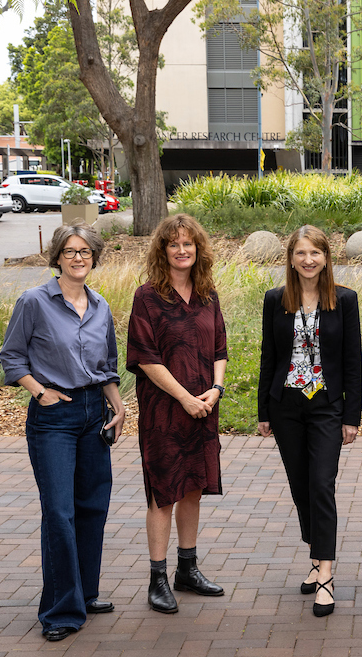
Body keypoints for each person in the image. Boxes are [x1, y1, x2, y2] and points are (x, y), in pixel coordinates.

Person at [0, 225, 125, 642]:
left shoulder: (100, 305)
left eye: (85, 252)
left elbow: (107, 363)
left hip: (94, 412)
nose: (77, 258)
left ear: (94, 257)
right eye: (69, 252)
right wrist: (40, 393)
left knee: (92, 507)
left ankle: (86, 594)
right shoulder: (34, 301)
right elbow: (13, 356)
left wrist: (119, 404)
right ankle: (59, 612)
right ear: (57, 257)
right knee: (59, 512)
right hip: (54, 417)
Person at [127, 214, 228, 614]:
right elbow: (145, 358)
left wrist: (216, 390)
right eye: (174, 244)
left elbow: (220, 348)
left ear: (198, 249)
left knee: (192, 487)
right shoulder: (147, 297)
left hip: (203, 409)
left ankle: (188, 569)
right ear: (162, 250)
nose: (182, 250)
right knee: (163, 493)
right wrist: (185, 397)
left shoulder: (208, 295)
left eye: (189, 243)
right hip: (164, 411)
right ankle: (158, 579)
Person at [257, 226, 361, 617]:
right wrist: (264, 411)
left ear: (326, 257)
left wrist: (352, 415)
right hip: (285, 406)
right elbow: (269, 355)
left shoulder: (345, 300)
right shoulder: (275, 300)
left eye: (315, 252)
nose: (308, 260)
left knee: (321, 483)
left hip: (326, 405)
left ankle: (326, 577)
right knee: (301, 487)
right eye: (300, 253)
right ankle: (317, 556)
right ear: (290, 258)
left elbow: (353, 362)